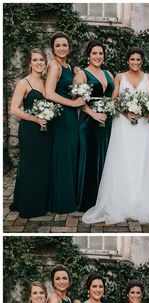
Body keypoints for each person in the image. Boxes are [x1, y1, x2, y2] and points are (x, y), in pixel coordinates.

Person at [82, 46, 149, 225]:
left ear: (142, 61)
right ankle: (122, 201)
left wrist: (144, 112)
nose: (135, 62)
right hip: (123, 124)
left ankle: (142, 201)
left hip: (143, 125)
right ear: (127, 61)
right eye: (132, 59)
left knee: (142, 160)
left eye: (138, 59)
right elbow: (113, 100)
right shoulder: (119, 77)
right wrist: (126, 112)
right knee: (124, 159)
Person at [10, 49, 52, 218]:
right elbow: (13, 109)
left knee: (43, 166)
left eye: (41, 59)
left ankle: (41, 201)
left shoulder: (46, 82)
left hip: (47, 130)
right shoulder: (24, 83)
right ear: (30, 63)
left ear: (45, 62)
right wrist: (34, 119)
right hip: (30, 130)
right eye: (35, 60)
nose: (38, 63)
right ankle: (29, 205)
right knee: (30, 166)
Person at [45, 32, 84, 214]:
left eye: (65, 45)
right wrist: (73, 104)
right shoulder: (54, 66)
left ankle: (69, 197)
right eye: (58, 45)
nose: (62, 48)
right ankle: (61, 202)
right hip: (62, 117)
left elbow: (72, 90)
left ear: (69, 47)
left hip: (70, 117)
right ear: (53, 48)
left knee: (71, 154)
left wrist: (77, 74)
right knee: (63, 156)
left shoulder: (68, 66)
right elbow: (49, 93)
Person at [75, 41, 115, 211]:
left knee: (106, 159)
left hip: (106, 122)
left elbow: (114, 96)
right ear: (88, 56)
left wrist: (110, 107)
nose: (98, 56)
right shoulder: (82, 75)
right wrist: (94, 114)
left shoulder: (108, 73)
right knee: (91, 159)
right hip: (89, 122)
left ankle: (104, 198)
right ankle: (88, 201)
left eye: (100, 53)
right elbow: (77, 101)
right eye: (94, 53)